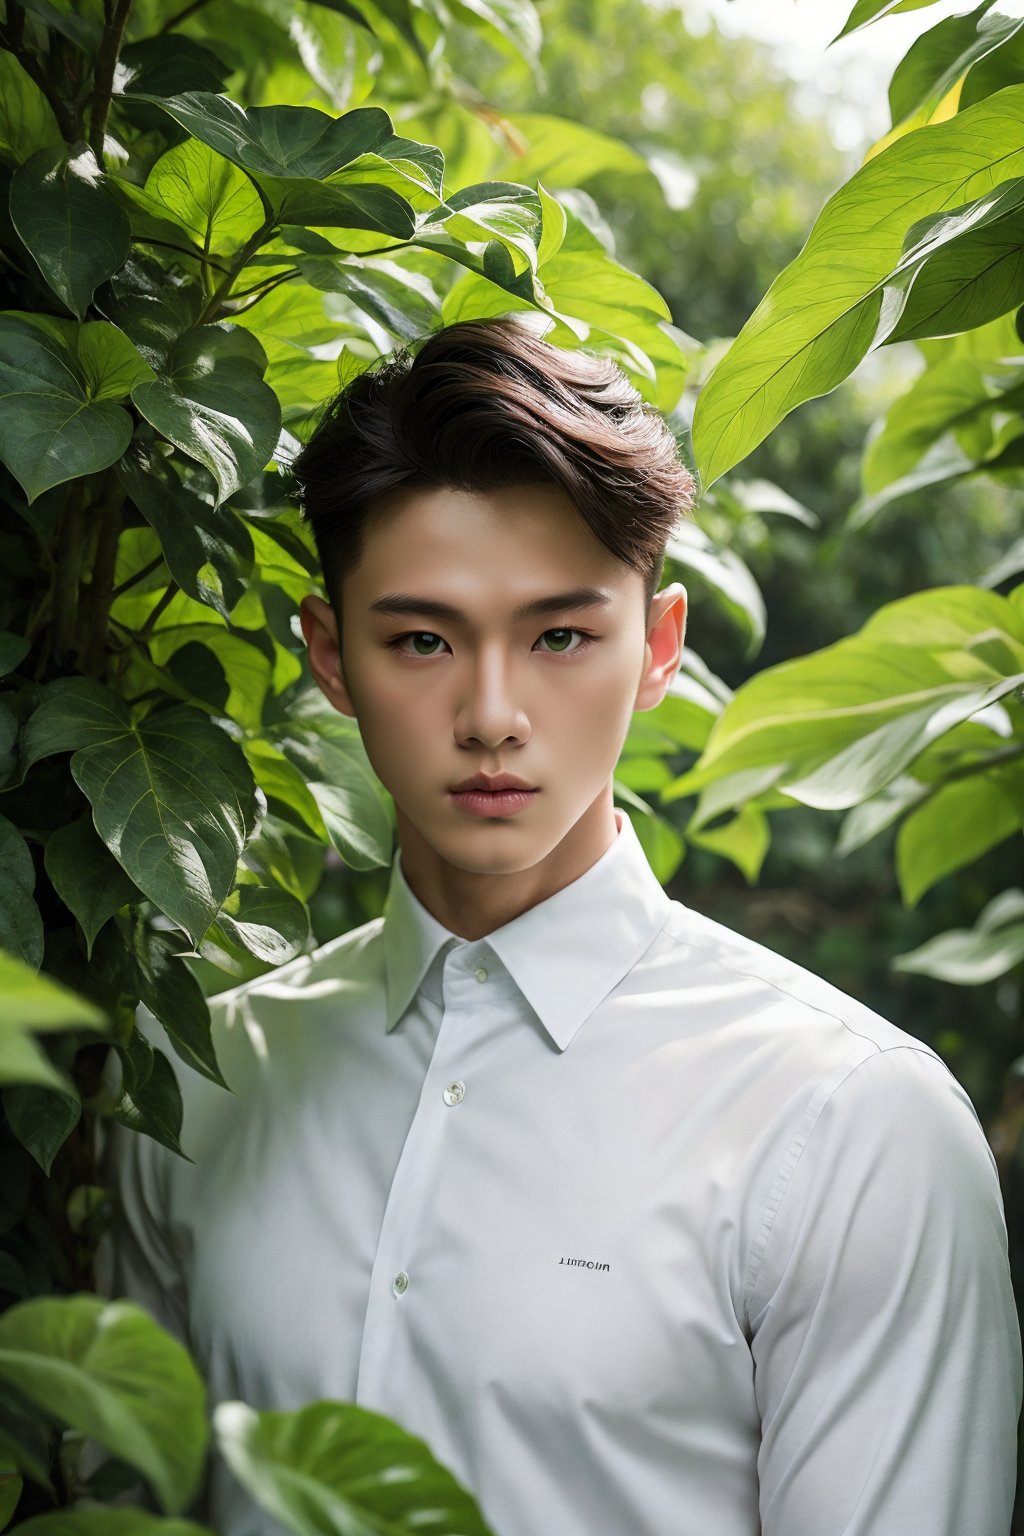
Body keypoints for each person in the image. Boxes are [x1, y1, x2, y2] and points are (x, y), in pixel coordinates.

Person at [100, 316, 1023, 1535]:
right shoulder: (195, 1082)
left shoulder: (851, 1126)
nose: (492, 715)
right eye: (421, 639)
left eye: (560, 637)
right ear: (329, 656)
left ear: (656, 650)